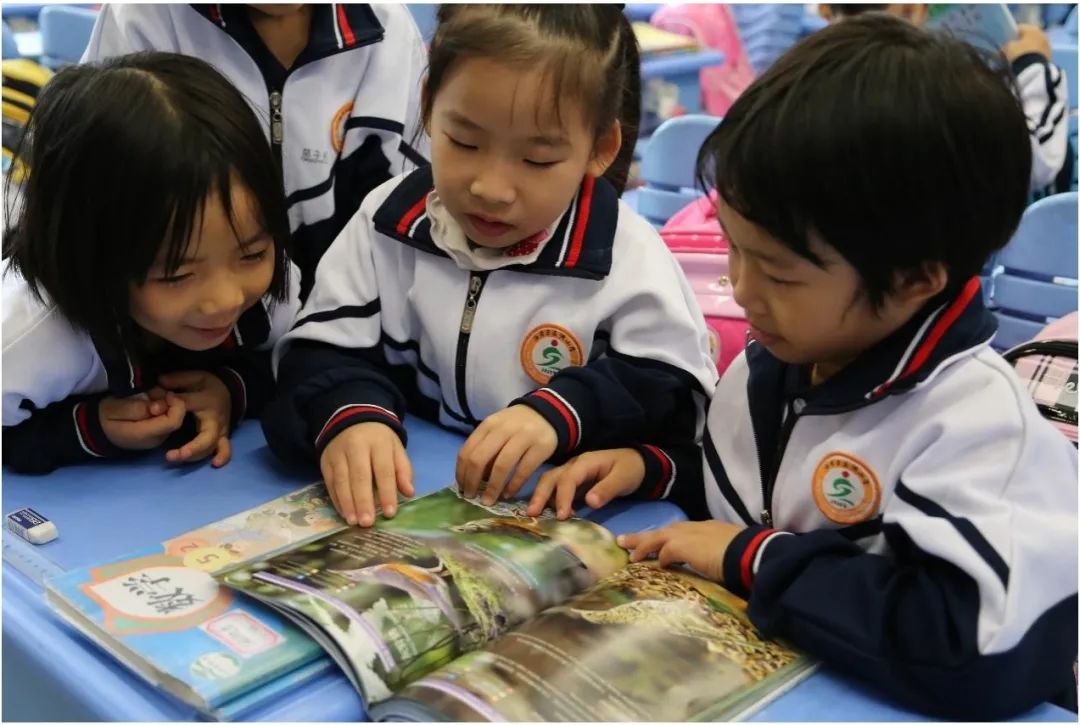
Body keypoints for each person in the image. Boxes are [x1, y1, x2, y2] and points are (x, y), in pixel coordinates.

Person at [527, 15, 1078, 719]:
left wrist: (752, 558)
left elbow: (974, 652)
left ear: (915, 280)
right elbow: (765, 489)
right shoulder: (780, 361)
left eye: (781, 275)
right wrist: (654, 468)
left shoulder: (974, 429)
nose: (741, 289)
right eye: (734, 247)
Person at [262, 4, 718, 527]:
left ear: (600, 148)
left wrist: (560, 413)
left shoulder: (626, 258)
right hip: (416, 497)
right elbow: (320, 351)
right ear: (429, 103)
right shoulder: (387, 222)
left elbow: (674, 395)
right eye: (465, 141)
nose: (490, 189)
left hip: (573, 517)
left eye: (538, 160)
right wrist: (350, 415)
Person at [2, 52, 301, 474]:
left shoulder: (268, 293)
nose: (226, 298)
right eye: (177, 274)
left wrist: (232, 391)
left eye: (252, 254)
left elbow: (302, 360)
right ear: (89, 256)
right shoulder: (25, 339)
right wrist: (86, 429)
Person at [82, 4, 429, 298]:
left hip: (338, 328)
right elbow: (96, 217)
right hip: (173, 333)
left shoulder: (387, 29)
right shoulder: (142, 19)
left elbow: (403, 220)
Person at [821, 3, 1073, 194]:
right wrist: (1032, 63)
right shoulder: (939, 94)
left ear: (824, 10)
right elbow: (1033, 162)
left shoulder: (810, 82)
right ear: (913, 11)